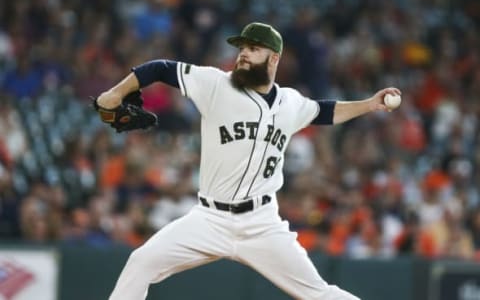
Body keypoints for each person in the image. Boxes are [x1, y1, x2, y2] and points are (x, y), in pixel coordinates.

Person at [96, 22, 401, 300]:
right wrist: (114, 93)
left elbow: (325, 111)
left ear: (273, 59)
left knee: (319, 294)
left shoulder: (291, 103)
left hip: (262, 224)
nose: (243, 55)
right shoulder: (215, 84)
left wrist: (370, 104)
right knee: (141, 262)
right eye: (241, 48)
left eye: (253, 49)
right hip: (209, 218)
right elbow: (160, 68)